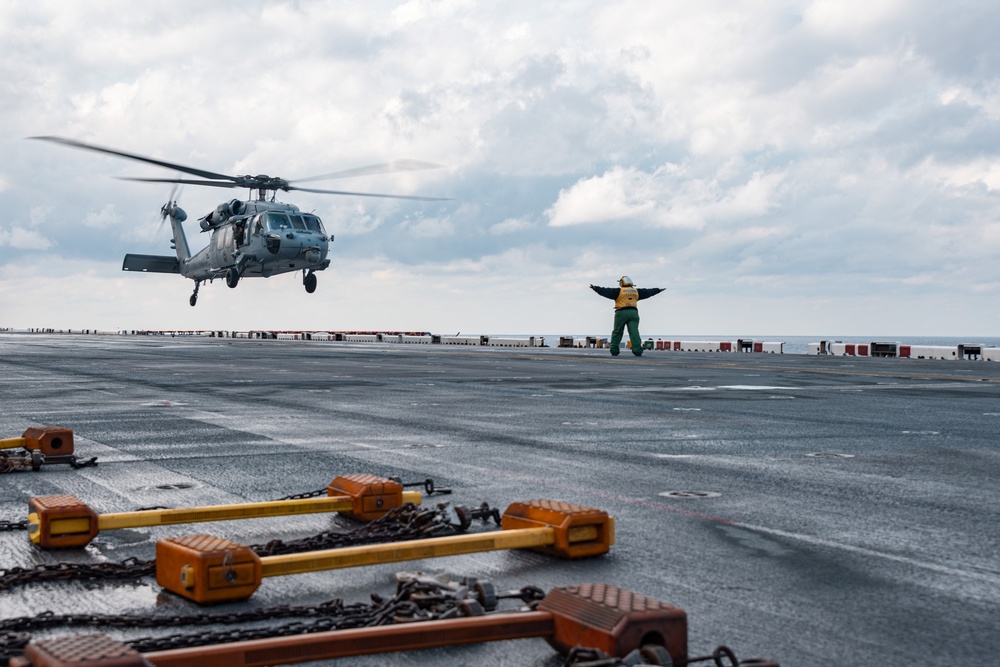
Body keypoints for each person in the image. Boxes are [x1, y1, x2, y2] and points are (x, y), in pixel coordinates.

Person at [590, 277, 665, 356]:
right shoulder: (636, 291)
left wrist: (596, 288)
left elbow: (606, 291)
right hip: (634, 313)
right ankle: (637, 351)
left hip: (621, 313)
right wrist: (658, 290)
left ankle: (614, 350)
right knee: (634, 332)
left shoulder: (619, 291)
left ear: (622, 283)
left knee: (617, 332)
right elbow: (648, 292)